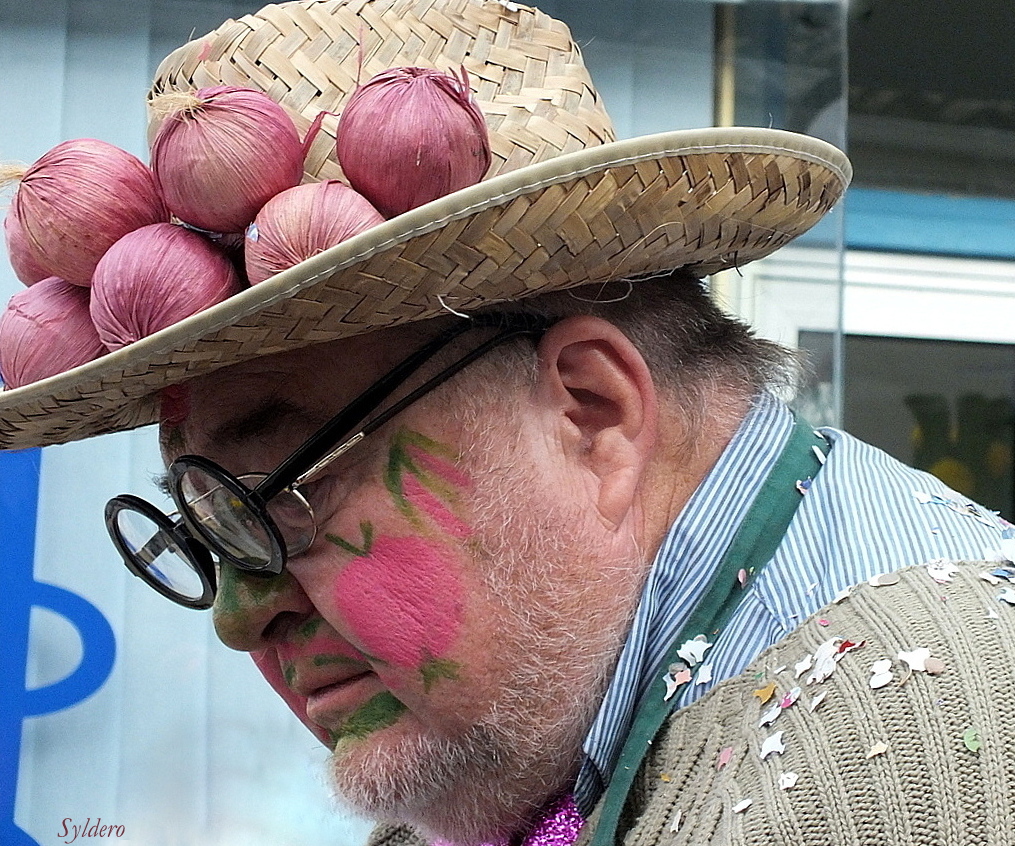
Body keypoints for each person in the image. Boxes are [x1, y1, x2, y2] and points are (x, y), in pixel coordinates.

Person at [2, 1, 1013, 844]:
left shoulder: (911, 748)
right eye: (205, 530)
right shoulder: (557, 737)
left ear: (592, 413)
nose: (238, 619)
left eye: (283, 493)